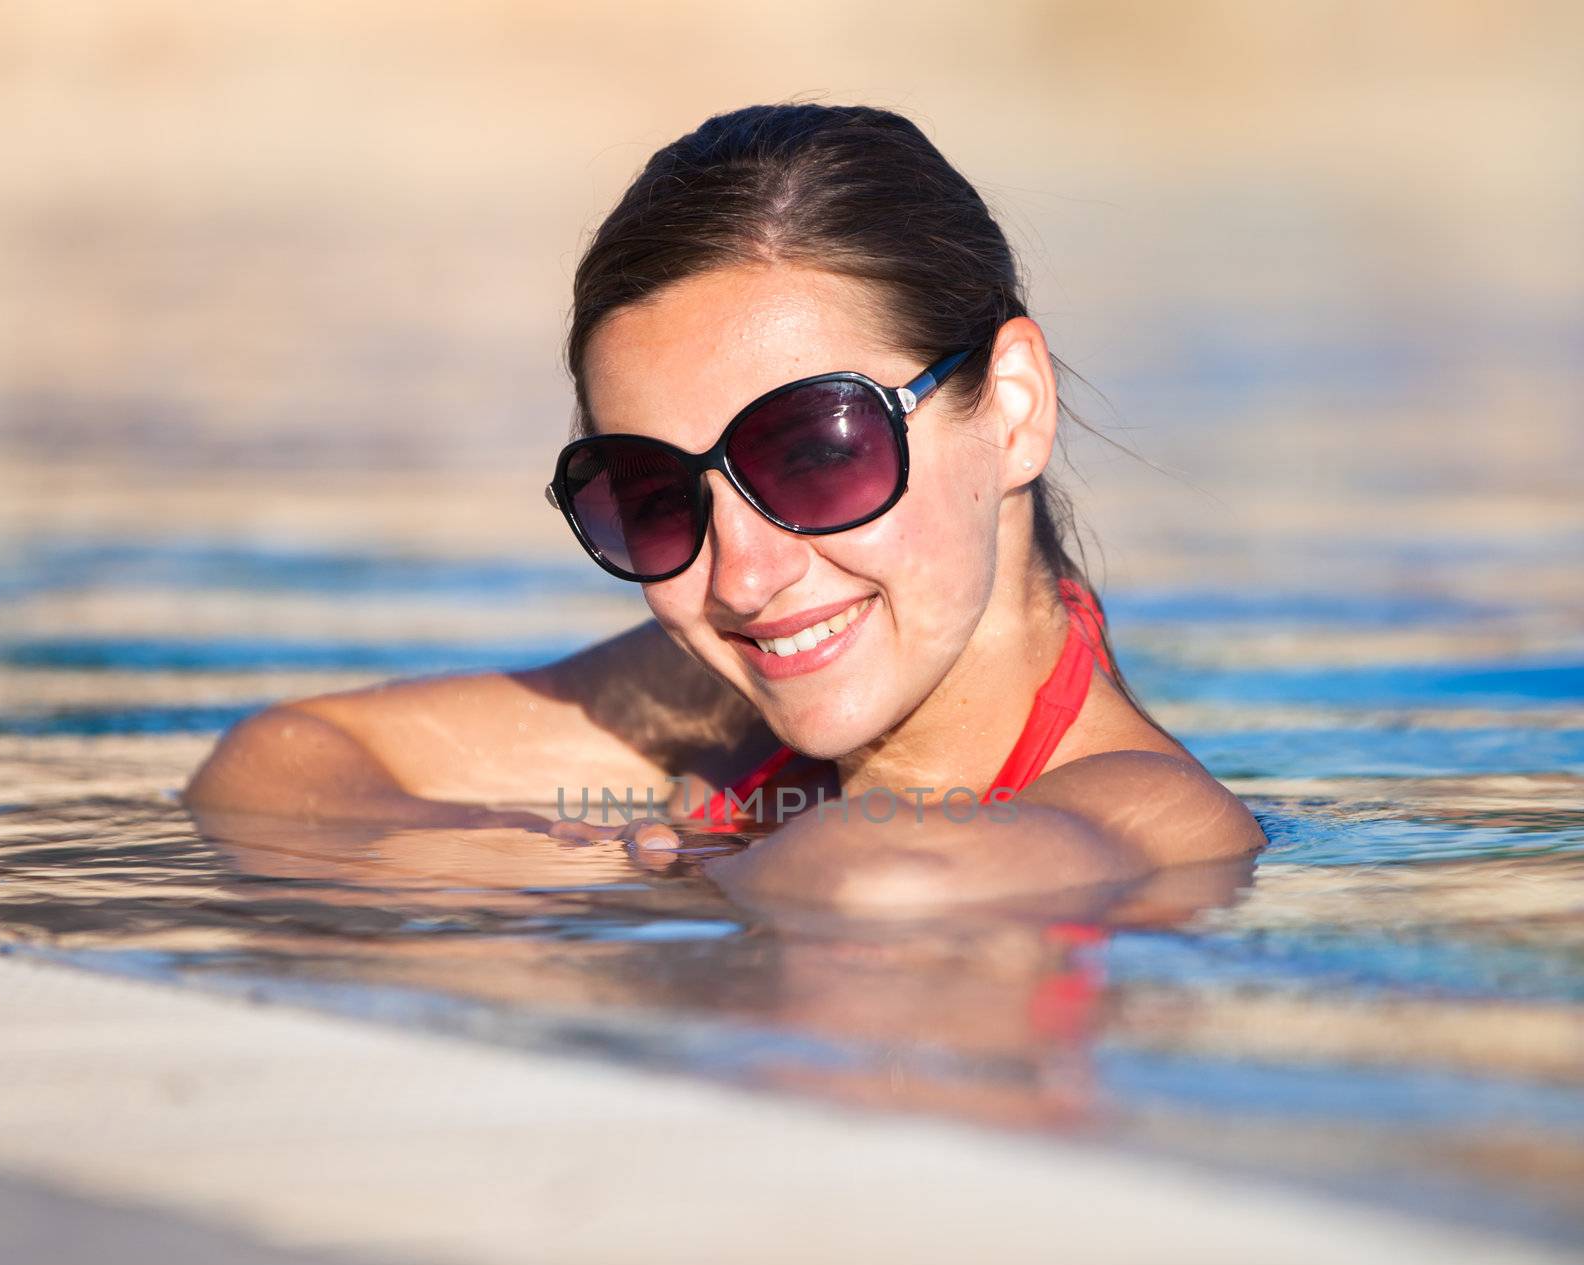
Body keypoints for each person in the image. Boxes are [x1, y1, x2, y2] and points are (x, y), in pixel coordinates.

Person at [183, 102, 1266, 913]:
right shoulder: (723, 706)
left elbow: (886, 879)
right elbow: (276, 767)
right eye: (652, 496)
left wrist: (676, 870)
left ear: (1016, 410)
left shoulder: (1152, 813)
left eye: (810, 455)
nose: (742, 576)